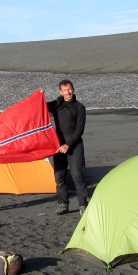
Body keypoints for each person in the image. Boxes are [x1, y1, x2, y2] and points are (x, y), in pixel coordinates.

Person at [44, 80, 88, 216]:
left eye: (69, 89)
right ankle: (63, 204)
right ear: (60, 92)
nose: (68, 92)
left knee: (78, 176)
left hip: (74, 144)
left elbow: (80, 130)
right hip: (59, 144)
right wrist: (40, 94)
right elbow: (40, 106)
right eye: (65, 90)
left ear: (73, 89)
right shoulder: (56, 105)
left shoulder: (80, 107)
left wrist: (68, 144)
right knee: (59, 176)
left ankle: (83, 205)